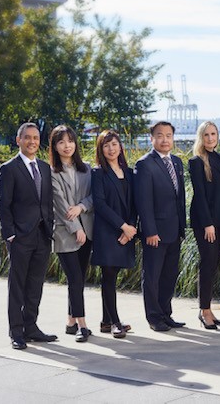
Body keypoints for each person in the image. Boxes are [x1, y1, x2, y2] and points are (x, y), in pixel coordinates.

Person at [0, 122, 57, 350]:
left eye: (36, 138)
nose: (32, 141)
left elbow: (47, 202)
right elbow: (4, 205)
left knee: (35, 284)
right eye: (27, 137)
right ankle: (16, 332)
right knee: (18, 285)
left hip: (42, 235)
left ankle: (31, 327)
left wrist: (49, 228)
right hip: (20, 238)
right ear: (18, 140)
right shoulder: (9, 169)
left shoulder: (44, 167)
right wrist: (10, 235)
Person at [134, 121, 187, 332]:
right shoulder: (145, 164)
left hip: (174, 231)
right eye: (160, 135)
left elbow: (179, 198)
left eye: (168, 135)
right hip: (155, 233)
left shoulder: (176, 162)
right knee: (153, 276)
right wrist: (150, 230)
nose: (165, 140)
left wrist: (182, 228)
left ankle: (166, 314)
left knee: (169, 275)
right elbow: (143, 202)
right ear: (152, 138)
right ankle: (154, 317)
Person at [188, 121, 220, 329]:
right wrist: (208, 223)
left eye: (213, 134)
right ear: (201, 137)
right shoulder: (197, 161)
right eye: (206, 135)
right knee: (207, 264)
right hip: (205, 222)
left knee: (214, 263)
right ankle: (204, 311)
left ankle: (208, 308)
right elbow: (199, 195)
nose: (210, 138)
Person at [49, 125, 95, 342]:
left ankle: (70, 321)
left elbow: (94, 196)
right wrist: (76, 228)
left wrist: (82, 207)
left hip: (88, 229)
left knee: (78, 280)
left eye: (70, 141)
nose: (66, 146)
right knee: (75, 279)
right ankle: (82, 325)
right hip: (66, 233)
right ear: (54, 146)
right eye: (61, 142)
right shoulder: (52, 172)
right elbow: (60, 204)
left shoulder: (86, 168)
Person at [91, 129, 136, 339]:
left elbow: (135, 203)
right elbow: (99, 204)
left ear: (120, 146)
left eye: (114, 144)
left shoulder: (129, 172)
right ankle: (116, 322)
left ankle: (105, 321)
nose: (111, 149)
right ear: (101, 149)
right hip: (107, 232)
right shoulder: (98, 173)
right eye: (106, 145)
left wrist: (131, 229)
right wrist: (122, 226)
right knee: (108, 277)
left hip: (125, 232)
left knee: (112, 276)